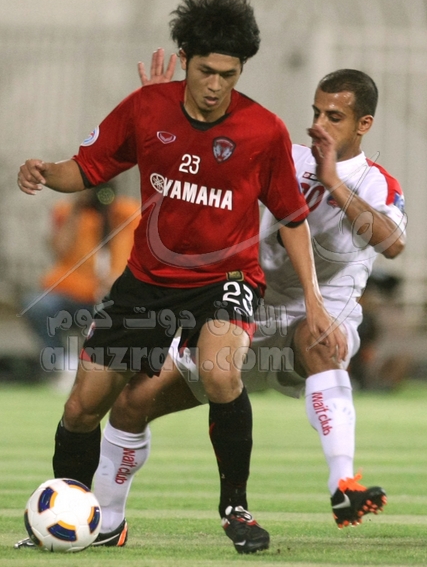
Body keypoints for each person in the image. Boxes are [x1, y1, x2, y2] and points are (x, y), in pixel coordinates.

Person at [16, 0, 346, 555]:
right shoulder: (146, 108)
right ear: (185, 59)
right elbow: (88, 168)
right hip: (147, 282)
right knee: (82, 407)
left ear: (241, 70)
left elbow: (293, 219)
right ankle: (75, 517)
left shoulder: (263, 130)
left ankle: (236, 508)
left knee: (220, 373)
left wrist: (314, 301)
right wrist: (46, 171)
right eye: (205, 71)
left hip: (228, 280)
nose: (215, 85)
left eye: (229, 74)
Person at [68, 65, 406, 547]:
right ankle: (107, 524)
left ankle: (343, 483)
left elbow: (392, 243)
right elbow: (201, 165)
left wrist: (333, 180)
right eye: (316, 113)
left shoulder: (375, 183)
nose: (319, 125)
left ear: (363, 124)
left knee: (319, 339)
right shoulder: (285, 155)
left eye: (334, 117)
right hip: (240, 313)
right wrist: (164, 110)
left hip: (313, 319)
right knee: (131, 402)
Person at [21, 183, 139, 387]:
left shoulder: (126, 211)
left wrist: (119, 280)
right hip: (75, 297)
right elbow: (60, 249)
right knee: (38, 304)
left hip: (114, 298)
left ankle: (122, 371)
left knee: (141, 311)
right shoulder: (68, 211)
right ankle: (61, 365)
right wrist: (77, 207)